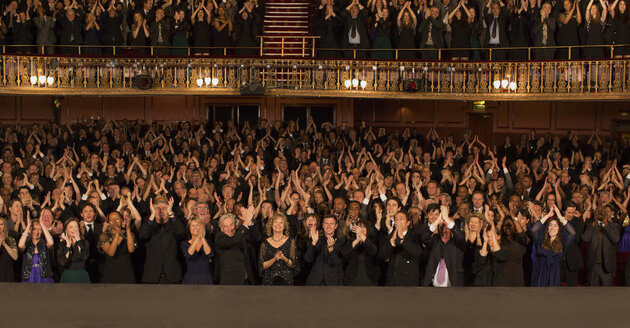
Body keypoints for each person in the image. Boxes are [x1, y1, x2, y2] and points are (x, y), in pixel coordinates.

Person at [139, 196, 185, 284]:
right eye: (157, 208)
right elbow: (142, 236)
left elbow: (181, 233)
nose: (160, 211)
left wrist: (171, 214)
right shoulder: (148, 224)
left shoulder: (174, 223)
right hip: (152, 275)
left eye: (164, 208)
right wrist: (152, 216)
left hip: (172, 275)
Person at [528, 205, 575, 286]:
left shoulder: (562, 242)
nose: (552, 228)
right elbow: (533, 230)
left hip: (554, 273)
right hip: (540, 271)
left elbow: (572, 233)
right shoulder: (541, 239)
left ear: (559, 229)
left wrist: (560, 216)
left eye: (555, 226)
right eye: (550, 225)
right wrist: (548, 215)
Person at [422, 206, 466, 287]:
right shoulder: (435, 240)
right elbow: (424, 237)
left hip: (452, 286)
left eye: (448, 227)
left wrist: (446, 218)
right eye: (442, 227)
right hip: (432, 286)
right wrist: (438, 221)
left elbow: (460, 236)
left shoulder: (458, 242)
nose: (445, 230)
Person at [214, 209, 257, 285]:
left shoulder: (240, 235)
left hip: (246, 281)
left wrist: (250, 221)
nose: (230, 229)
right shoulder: (219, 238)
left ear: (235, 224)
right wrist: (246, 222)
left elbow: (256, 239)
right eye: (225, 226)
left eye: (231, 224)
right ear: (221, 228)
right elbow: (233, 241)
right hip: (229, 282)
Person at [379, 211, 422, 286]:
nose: (398, 221)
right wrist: (392, 241)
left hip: (408, 281)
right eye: (396, 219)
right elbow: (382, 255)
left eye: (401, 219)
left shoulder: (415, 236)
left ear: (408, 223)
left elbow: (417, 252)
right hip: (392, 281)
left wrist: (402, 238)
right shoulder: (389, 237)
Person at [582, 205, 621, 286]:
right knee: (592, 292)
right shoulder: (591, 225)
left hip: (607, 265)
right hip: (593, 264)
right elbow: (585, 238)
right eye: (599, 212)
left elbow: (615, 239)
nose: (602, 214)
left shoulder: (614, 226)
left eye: (605, 212)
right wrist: (594, 223)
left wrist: (606, 224)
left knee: (606, 293)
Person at [259, 214, 299, 285]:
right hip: (269, 279)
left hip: (286, 279)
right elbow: (262, 265)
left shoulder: (290, 241)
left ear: (284, 226)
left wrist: (283, 258)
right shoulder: (265, 242)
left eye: (281, 222)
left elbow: (293, 264)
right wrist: (274, 259)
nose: (278, 225)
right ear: (271, 225)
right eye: (276, 222)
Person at [305, 214, 345, 285]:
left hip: (334, 282)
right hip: (315, 282)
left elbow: (339, 263)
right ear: (323, 225)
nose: (328, 226)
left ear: (336, 226)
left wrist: (331, 249)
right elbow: (308, 259)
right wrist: (313, 243)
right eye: (326, 223)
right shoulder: (316, 239)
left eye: (331, 224)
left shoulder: (341, 241)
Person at [99, 211, 136, 284]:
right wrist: (118, 235)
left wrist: (128, 229)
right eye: (111, 220)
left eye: (117, 219)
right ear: (108, 222)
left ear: (122, 220)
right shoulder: (104, 236)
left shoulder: (129, 234)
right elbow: (111, 252)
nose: (114, 222)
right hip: (111, 272)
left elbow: (131, 249)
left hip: (127, 271)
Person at [342, 219, 380, 285]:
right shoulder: (351, 241)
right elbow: (344, 253)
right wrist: (356, 241)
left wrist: (362, 236)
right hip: (352, 279)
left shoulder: (372, 241)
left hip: (370, 279)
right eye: (359, 227)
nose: (360, 229)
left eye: (363, 227)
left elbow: (373, 251)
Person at [18, 218, 55, 283]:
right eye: (34, 229)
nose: (36, 232)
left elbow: (51, 243)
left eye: (39, 230)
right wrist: (28, 226)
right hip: (29, 276)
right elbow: (20, 246)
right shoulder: (26, 243)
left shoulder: (44, 243)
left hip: (44, 277)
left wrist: (42, 225)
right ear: (30, 230)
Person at [181, 218, 213, 285]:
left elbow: (209, 254)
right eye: (192, 225)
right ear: (189, 228)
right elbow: (189, 254)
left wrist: (202, 237)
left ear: (202, 227)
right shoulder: (184, 244)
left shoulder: (207, 242)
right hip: (190, 278)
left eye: (197, 225)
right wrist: (198, 238)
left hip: (205, 278)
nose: (195, 227)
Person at [58, 218, 90, 283]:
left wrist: (78, 240)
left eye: (76, 227)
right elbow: (62, 262)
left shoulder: (84, 242)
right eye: (71, 227)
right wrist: (68, 245)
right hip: (68, 276)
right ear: (66, 230)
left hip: (82, 275)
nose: (74, 229)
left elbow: (85, 256)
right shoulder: (62, 244)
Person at [0, 218, 18, 282]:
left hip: (7, 272)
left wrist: (5, 244)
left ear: (4, 226)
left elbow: (15, 257)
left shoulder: (10, 239)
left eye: (1, 224)